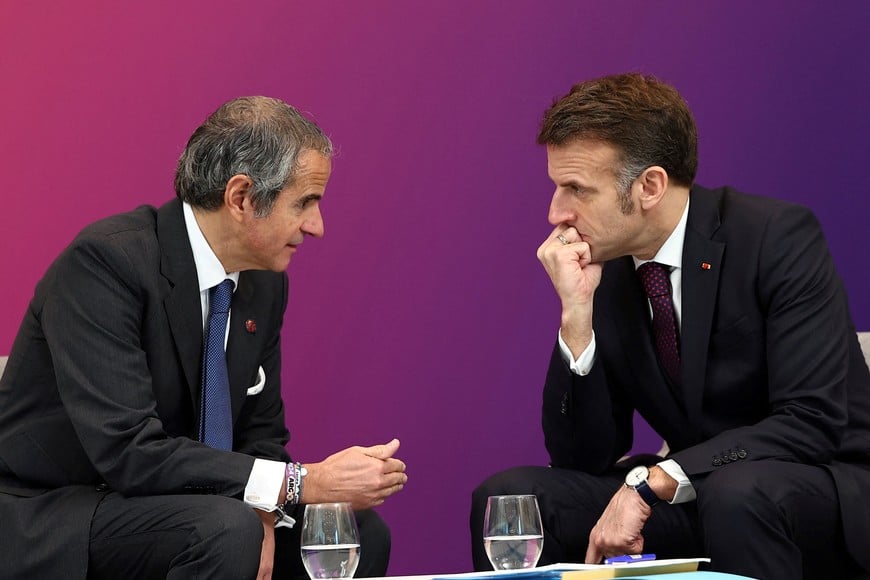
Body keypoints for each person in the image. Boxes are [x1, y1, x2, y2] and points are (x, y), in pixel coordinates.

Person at [470, 73, 870, 580]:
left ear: (649, 186)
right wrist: (576, 315)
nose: (556, 213)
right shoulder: (609, 268)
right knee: (514, 499)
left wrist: (654, 480)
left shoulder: (775, 237)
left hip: (818, 490)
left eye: (576, 189)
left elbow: (811, 421)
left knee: (736, 494)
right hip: (698, 492)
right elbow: (584, 456)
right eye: (556, 186)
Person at [0, 96, 408, 580]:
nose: (316, 227)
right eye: (305, 202)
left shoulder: (264, 282)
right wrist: (303, 482)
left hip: (191, 507)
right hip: (63, 512)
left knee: (357, 530)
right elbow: (130, 453)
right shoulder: (106, 265)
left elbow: (262, 434)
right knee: (223, 528)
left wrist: (265, 512)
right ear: (241, 198)